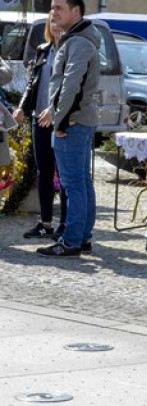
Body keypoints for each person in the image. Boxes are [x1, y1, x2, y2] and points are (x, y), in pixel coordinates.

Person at [36, 0, 99, 258]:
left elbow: (71, 84)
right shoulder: (73, 39)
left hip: (72, 123)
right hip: (74, 120)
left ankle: (72, 240)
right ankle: (81, 236)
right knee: (81, 182)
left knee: (74, 185)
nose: (54, 12)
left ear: (76, 12)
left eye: (59, 8)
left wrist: (58, 119)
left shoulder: (79, 43)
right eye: (52, 8)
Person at [15, 16, 67, 241]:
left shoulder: (71, 51)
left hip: (62, 120)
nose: (55, 26)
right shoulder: (43, 50)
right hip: (40, 118)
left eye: (59, 20)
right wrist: (21, 108)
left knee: (65, 175)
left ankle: (66, 224)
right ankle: (46, 222)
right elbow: (31, 83)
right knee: (44, 172)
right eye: (51, 22)